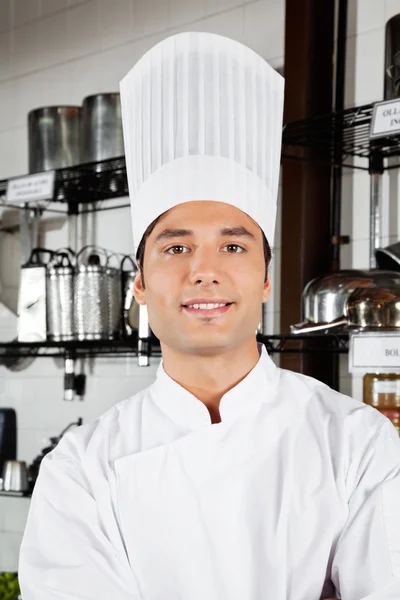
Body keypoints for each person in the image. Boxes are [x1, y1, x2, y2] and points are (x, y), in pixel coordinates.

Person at [19, 32, 400, 600]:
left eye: (234, 246)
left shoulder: (357, 443)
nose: (204, 271)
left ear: (266, 279)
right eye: (176, 248)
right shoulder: (81, 467)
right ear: (141, 284)